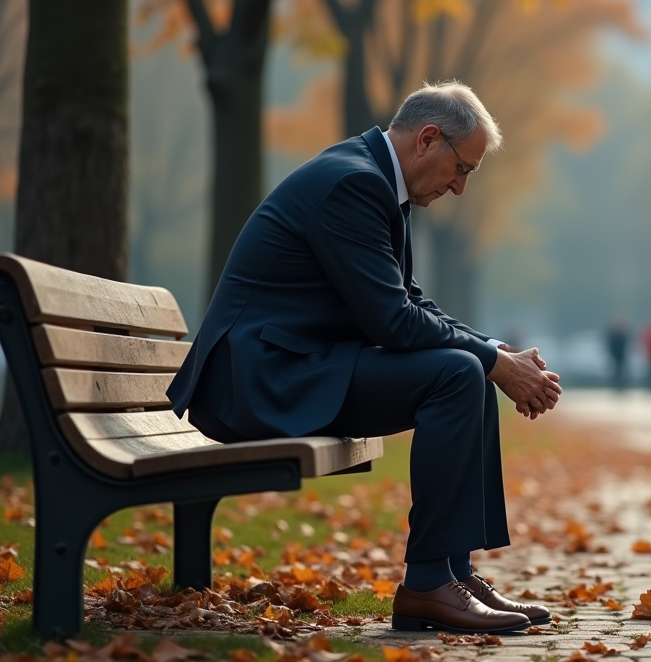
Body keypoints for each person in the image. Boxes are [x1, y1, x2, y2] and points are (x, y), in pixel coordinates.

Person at [167, 82, 561, 635]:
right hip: (258, 381)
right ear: (428, 139)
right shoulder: (354, 183)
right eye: (462, 169)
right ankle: (428, 582)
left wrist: (497, 353)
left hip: (294, 365)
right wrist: (497, 365)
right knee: (457, 373)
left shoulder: (370, 178)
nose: (459, 187)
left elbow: (411, 302)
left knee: (466, 369)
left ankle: (450, 571)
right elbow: (394, 323)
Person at [606, 315, 630, 393]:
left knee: (622, 373)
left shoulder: (623, 334)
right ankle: (616, 387)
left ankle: (623, 387)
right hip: (615, 356)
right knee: (616, 373)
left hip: (622, 356)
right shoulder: (613, 334)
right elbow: (610, 346)